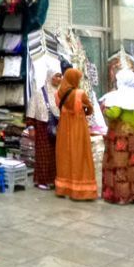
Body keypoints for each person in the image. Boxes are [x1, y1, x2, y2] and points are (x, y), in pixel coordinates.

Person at [99, 68, 134, 205]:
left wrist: (104, 108)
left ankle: (121, 196)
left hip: (121, 139)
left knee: (120, 167)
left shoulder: (119, 96)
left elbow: (113, 113)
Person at [54, 68, 97, 200]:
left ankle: (63, 188)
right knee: (80, 155)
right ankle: (80, 190)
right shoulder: (80, 93)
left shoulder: (58, 94)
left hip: (63, 128)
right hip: (78, 128)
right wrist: (84, 107)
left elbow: (58, 108)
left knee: (65, 155)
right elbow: (90, 110)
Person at [26, 68, 62, 189]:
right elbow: (31, 110)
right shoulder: (39, 93)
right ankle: (42, 181)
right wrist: (31, 127)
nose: (59, 79)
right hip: (42, 127)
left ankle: (54, 179)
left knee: (55, 154)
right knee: (43, 154)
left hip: (58, 126)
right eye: (56, 76)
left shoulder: (61, 92)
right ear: (50, 77)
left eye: (60, 76)